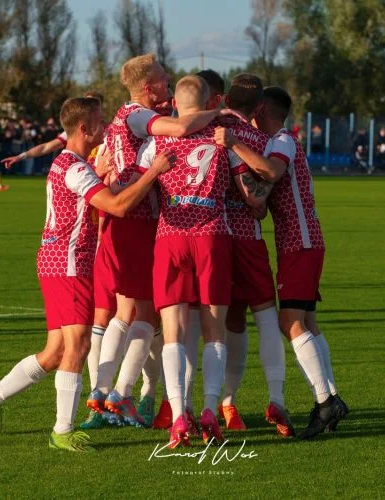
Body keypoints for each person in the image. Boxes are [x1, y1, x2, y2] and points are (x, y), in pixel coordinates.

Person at [0, 96, 175, 452]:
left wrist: (102, 174)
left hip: (57, 260)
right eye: (99, 121)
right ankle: (62, 431)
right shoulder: (76, 168)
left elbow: (92, 201)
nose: (105, 127)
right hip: (68, 263)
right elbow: (117, 207)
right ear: (84, 128)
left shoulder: (72, 163)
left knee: (55, 352)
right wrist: (153, 171)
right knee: (78, 344)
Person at [88, 53, 222, 428]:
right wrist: (217, 113)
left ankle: (102, 391)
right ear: (148, 87)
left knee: (125, 311)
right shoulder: (137, 115)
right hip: (138, 220)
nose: (169, 83)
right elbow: (180, 128)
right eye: (164, 79)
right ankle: (120, 393)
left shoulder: (121, 118)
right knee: (145, 313)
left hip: (120, 221)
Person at [214, 86, 349, 439]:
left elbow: (272, 172)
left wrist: (233, 144)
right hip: (304, 241)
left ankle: (325, 401)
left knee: (289, 323)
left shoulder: (282, 141)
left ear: (261, 110)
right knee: (309, 324)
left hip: (299, 242)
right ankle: (332, 397)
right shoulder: (280, 141)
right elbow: (262, 197)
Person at [136, 75, 264, 447]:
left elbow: (134, 184)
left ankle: (178, 415)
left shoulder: (157, 140)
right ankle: (210, 409)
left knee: (173, 333)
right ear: (209, 102)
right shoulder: (222, 137)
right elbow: (253, 193)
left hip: (171, 235)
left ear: (175, 103)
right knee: (215, 331)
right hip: (212, 236)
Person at [213, 73, 293, 437]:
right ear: (259, 106)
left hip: (205, 235)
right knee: (263, 316)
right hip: (245, 237)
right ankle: (273, 399)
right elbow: (258, 200)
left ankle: (196, 405)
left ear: (226, 99)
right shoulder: (261, 140)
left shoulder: (206, 129)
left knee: (210, 321)